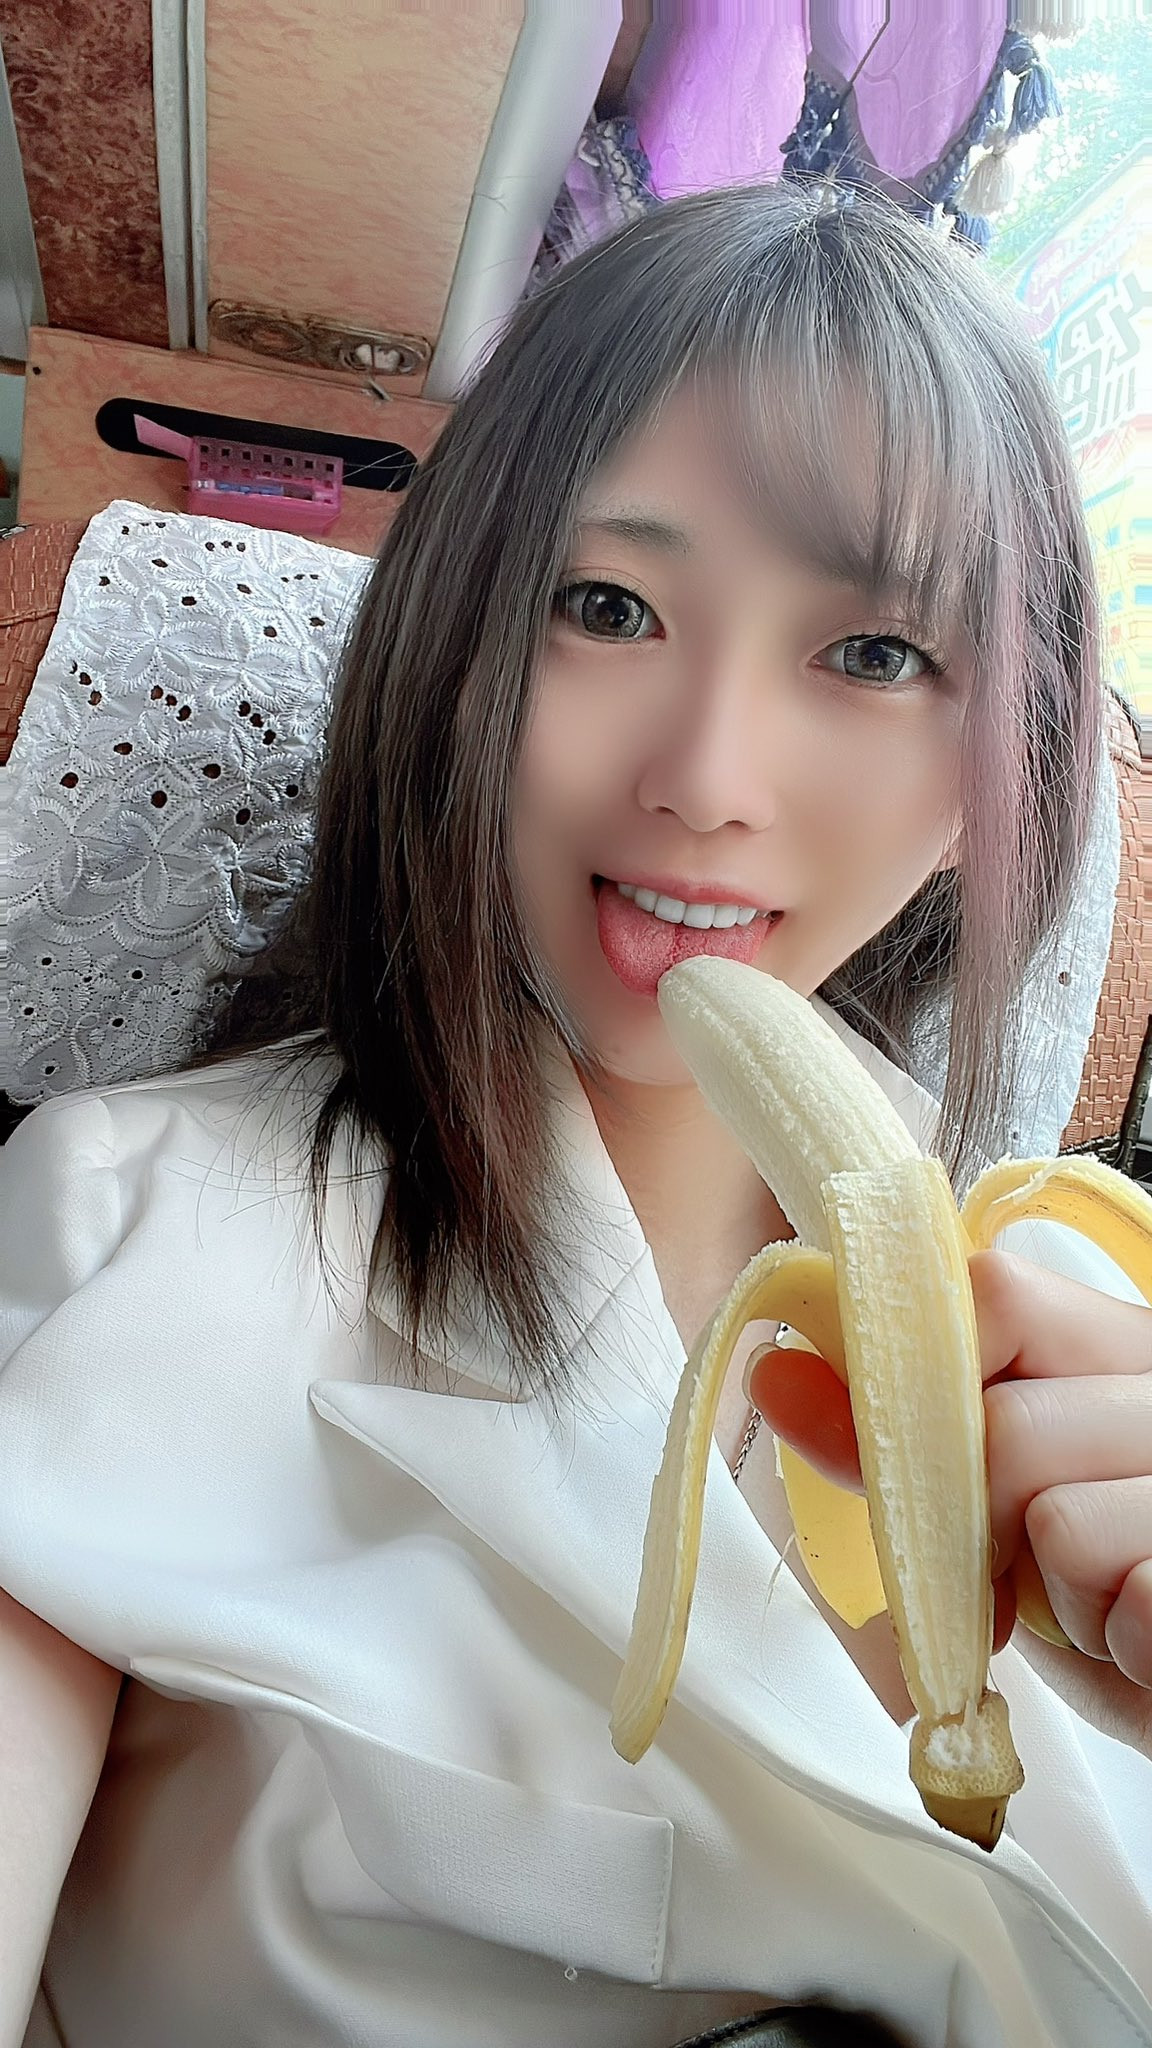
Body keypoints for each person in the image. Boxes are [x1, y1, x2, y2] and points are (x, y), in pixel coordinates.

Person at [0, 181, 1149, 2048]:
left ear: (990, 770)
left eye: (873, 653)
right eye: (606, 607)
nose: (706, 778)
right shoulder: (128, 1229)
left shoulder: (1090, 1322)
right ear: (457, 638)